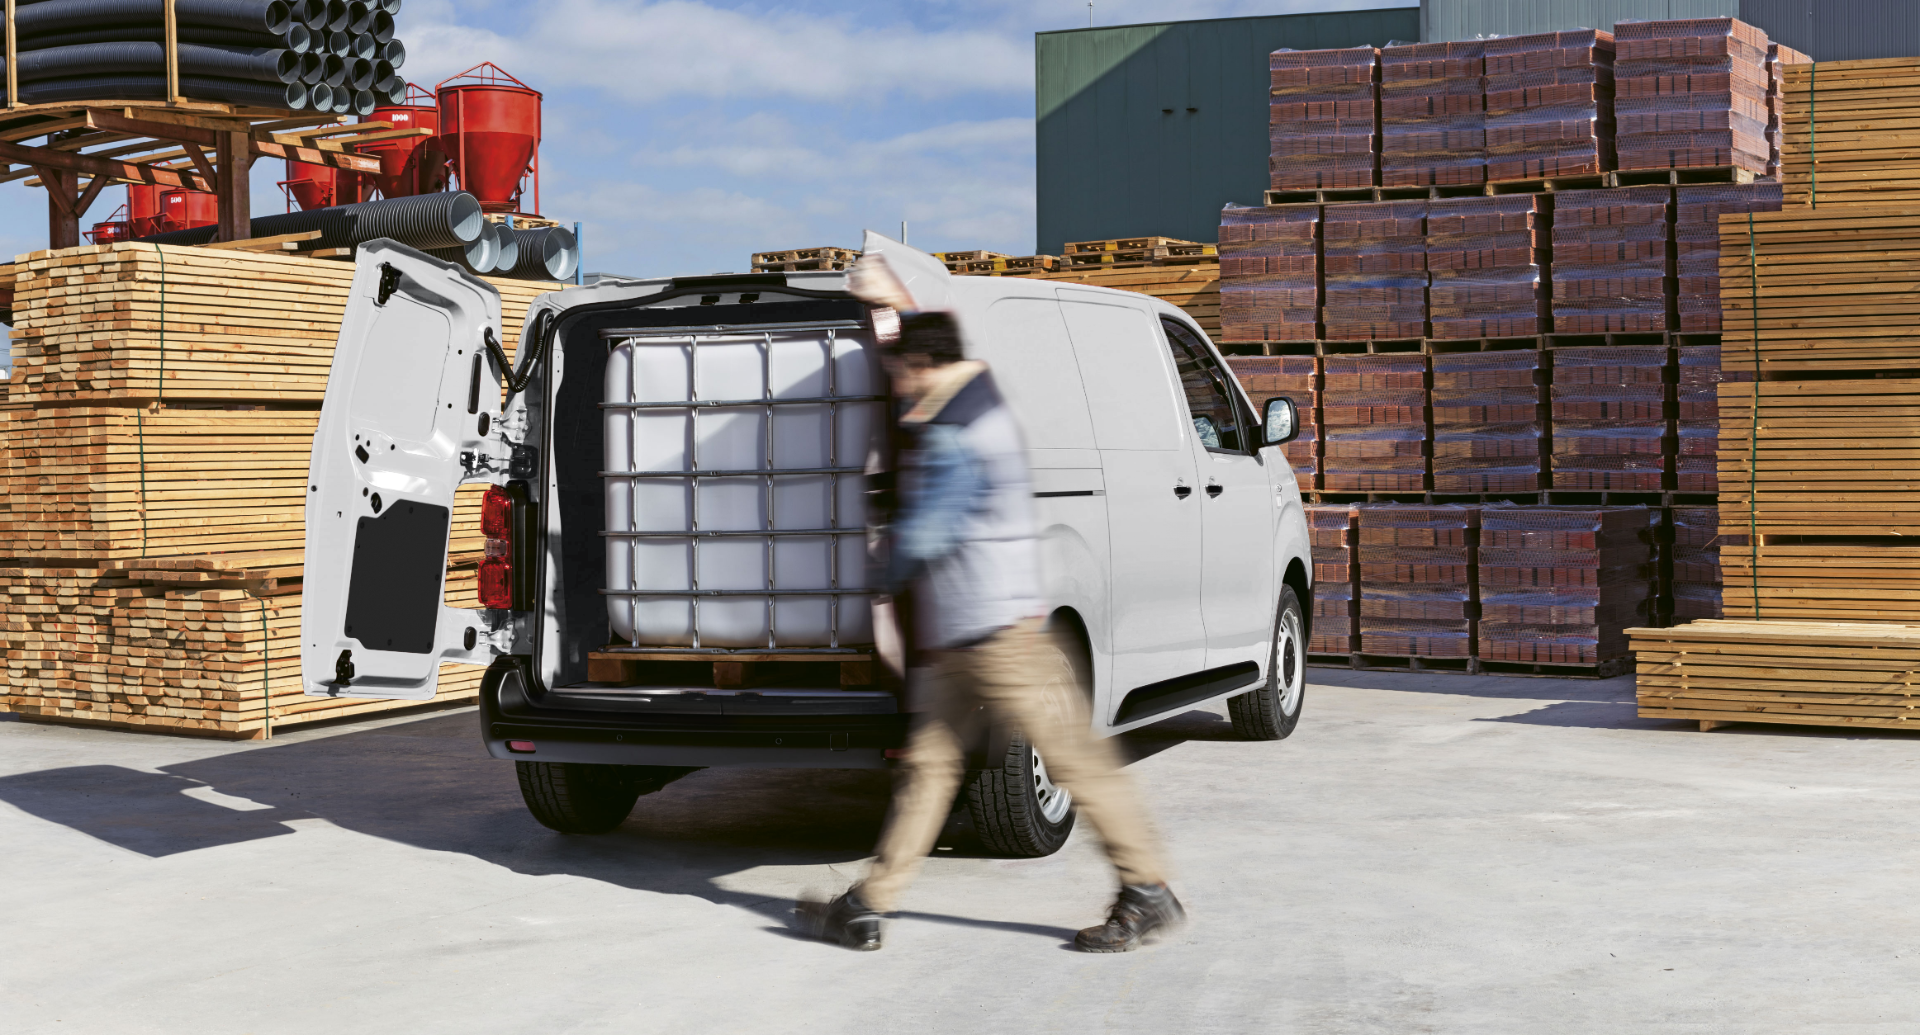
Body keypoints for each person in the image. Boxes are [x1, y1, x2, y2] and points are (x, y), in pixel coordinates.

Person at [800, 308, 1185, 953]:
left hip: (996, 635)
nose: (894, 384)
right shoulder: (967, 410)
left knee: (1073, 761)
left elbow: (930, 529)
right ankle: (868, 904)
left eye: (898, 371)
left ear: (921, 365)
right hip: (968, 634)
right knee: (929, 767)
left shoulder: (961, 429)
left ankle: (1147, 889)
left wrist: (870, 572)